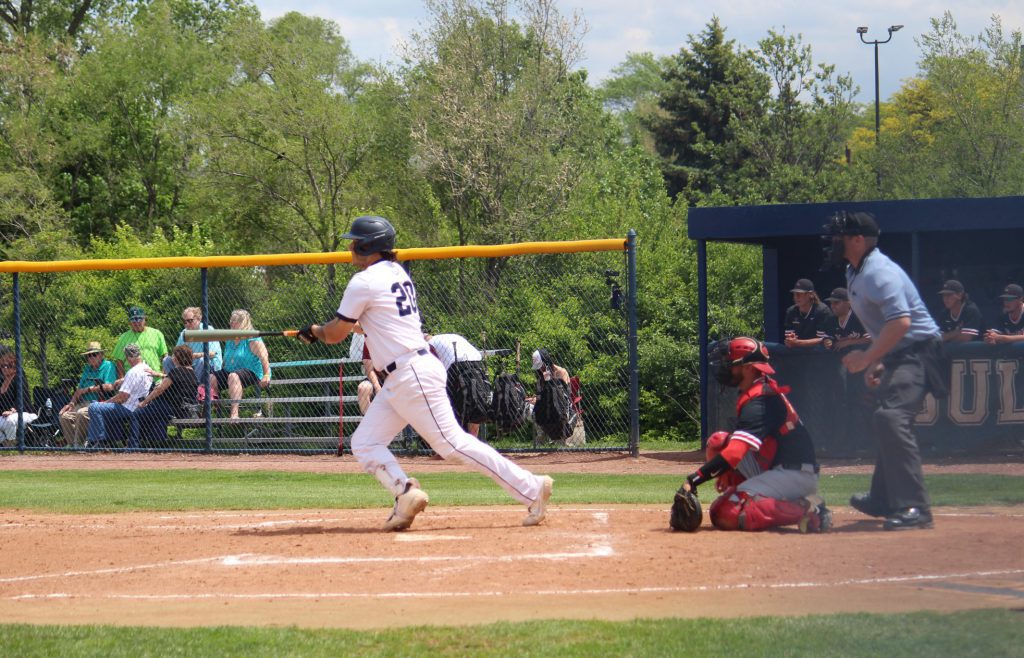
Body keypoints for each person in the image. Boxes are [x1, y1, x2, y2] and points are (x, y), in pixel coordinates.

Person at [296, 215, 552, 531]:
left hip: (410, 373)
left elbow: (335, 334)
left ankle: (531, 487)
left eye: (354, 241)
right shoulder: (396, 273)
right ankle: (405, 493)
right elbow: (374, 323)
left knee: (452, 445)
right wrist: (320, 330)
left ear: (367, 245)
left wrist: (317, 331)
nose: (350, 247)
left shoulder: (363, 281)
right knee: (365, 442)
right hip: (404, 375)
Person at [823, 210, 946, 530]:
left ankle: (916, 508)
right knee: (884, 419)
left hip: (920, 353)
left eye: (841, 236)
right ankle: (884, 497)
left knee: (890, 418)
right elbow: (885, 327)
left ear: (859, 240)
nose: (834, 242)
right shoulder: (855, 272)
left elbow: (901, 322)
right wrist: (879, 360)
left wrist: (867, 357)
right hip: (900, 353)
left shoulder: (879, 271)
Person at [680, 337, 830, 533]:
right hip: (776, 467)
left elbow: (735, 453)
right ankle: (749, 495)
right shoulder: (758, 390)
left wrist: (694, 480)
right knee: (718, 443)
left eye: (732, 364)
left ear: (749, 368)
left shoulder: (761, 401)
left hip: (794, 474)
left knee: (726, 514)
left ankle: (810, 510)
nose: (726, 368)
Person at [86, 343, 153, 449]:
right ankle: (109, 440)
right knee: (97, 405)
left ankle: (97, 442)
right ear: (139, 354)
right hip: (139, 405)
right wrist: (123, 380)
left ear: (127, 357)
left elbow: (122, 397)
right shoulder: (147, 368)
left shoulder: (132, 372)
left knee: (94, 407)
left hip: (128, 407)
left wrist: (106, 402)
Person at [210, 309, 272, 420]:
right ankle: (215, 408)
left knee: (233, 376)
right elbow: (226, 359)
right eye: (231, 320)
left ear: (243, 323)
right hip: (230, 370)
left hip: (250, 371)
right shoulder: (230, 338)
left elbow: (264, 357)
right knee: (211, 377)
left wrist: (266, 375)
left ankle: (234, 413)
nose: (231, 323)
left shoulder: (252, 338)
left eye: (235, 321)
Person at [133, 345, 198, 447]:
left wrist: (144, 402)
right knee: (158, 415)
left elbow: (160, 389)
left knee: (136, 413)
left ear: (176, 358)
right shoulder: (192, 373)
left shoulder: (176, 371)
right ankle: (157, 442)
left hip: (171, 407)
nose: (172, 358)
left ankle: (133, 445)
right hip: (183, 408)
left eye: (173, 355)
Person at [426, 333, 490, 437]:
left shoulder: (428, 345)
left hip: (456, 365)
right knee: (476, 402)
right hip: (477, 361)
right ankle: (473, 439)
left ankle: (455, 440)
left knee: (452, 404)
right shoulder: (449, 336)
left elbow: (432, 368)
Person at [59, 341, 118, 447]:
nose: (91, 358)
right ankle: (72, 445)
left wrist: (89, 389)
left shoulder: (108, 366)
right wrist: (71, 404)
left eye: (94, 354)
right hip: (83, 402)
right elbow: (78, 390)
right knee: (64, 415)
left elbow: (110, 387)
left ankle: (79, 444)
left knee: (82, 413)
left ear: (101, 355)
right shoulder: (87, 368)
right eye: (88, 355)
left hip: (99, 402)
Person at [528, 349, 585, 447]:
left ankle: (557, 440)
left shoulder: (561, 372)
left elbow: (564, 395)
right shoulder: (540, 377)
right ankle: (542, 440)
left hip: (561, 406)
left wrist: (549, 382)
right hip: (546, 407)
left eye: (541, 366)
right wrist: (535, 399)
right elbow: (540, 396)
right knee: (529, 408)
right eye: (538, 367)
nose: (540, 369)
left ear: (546, 362)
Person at [163, 307, 222, 381]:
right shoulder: (184, 333)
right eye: (185, 322)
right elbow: (176, 353)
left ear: (199, 319)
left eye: (190, 321)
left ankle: (194, 387)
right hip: (187, 364)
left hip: (208, 366)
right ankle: (173, 384)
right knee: (167, 360)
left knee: (201, 360)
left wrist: (193, 356)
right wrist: (175, 357)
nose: (187, 324)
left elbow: (212, 354)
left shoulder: (207, 330)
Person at [111, 306, 168, 377]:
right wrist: (122, 378)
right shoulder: (124, 337)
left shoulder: (157, 334)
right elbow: (119, 361)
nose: (136, 322)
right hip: (133, 380)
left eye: (139, 319)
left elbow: (165, 357)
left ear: (145, 319)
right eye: (133, 319)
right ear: (129, 322)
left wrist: (162, 376)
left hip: (155, 378)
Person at [0, 345, 37, 446]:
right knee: (6, 420)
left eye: (8, 365)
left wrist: (13, 410)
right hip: (3, 415)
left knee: (9, 421)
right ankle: (5, 443)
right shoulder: (1, 378)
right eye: (2, 365)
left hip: (23, 412)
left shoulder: (19, 375)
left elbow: (23, 398)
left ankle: (11, 444)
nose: (5, 367)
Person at [783, 279, 833, 349]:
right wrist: (790, 340)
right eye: (795, 294)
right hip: (797, 352)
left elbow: (822, 340)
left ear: (811, 294)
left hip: (817, 354)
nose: (796, 297)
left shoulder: (822, 311)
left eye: (800, 294)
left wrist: (798, 342)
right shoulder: (791, 311)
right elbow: (788, 339)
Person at [821, 288, 871, 353]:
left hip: (862, 355)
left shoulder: (860, 317)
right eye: (831, 303)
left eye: (836, 302)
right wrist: (827, 341)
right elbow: (826, 336)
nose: (832, 306)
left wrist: (848, 342)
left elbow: (872, 338)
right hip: (839, 357)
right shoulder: (830, 320)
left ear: (849, 303)